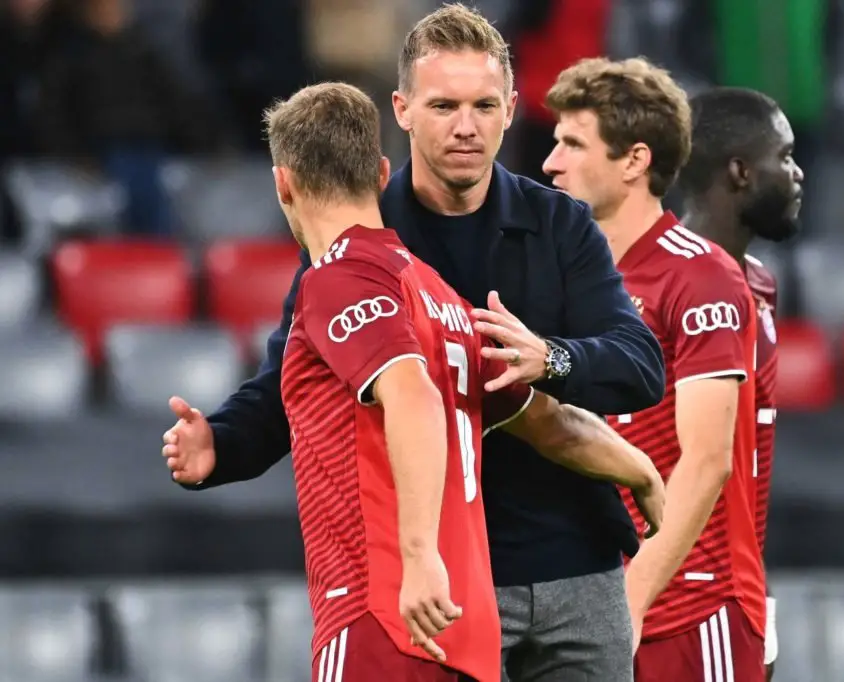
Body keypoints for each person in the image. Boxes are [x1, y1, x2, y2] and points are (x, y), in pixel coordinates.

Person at [161, 5, 665, 680]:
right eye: (444, 105)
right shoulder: (363, 243)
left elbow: (639, 366)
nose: (466, 126)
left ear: (512, 110)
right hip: (454, 583)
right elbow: (290, 383)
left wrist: (552, 358)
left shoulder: (558, 224)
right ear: (402, 110)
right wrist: (221, 443)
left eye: (484, 105)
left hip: (573, 564)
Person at [542, 61, 797, 681]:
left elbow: (707, 461)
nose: (550, 163)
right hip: (588, 606)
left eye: (573, 144)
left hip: (691, 610)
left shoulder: (701, 277)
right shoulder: (567, 278)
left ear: (634, 161)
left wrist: (625, 606)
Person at [674, 86, 805, 681]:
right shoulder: (657, 283)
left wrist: (756, 601)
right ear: (740, 172)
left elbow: (743, 464)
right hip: (679, 602)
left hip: (736, 590)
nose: (797, 174)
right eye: (786, 156)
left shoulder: (759, 286)